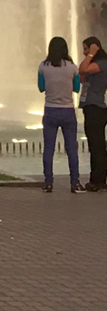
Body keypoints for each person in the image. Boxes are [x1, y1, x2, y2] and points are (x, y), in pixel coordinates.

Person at [38, 36, 82, 193]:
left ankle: (48, 182)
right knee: (71, 149)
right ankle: (75, 183)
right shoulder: (72, 67)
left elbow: (41, 87)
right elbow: (76, 88)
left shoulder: (43, 66)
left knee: (48, 148)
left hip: (50, 110)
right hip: (68, 110)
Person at [80, 36, 107, 191]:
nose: (84, 52)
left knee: (97, 146)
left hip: (96, 108)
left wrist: (91, 54)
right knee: (95, 145)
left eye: (86, 48)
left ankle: (98, 181)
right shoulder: (96, 63)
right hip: (90, 107)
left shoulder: (101, 63)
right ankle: (98, 179)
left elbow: (83, 69)